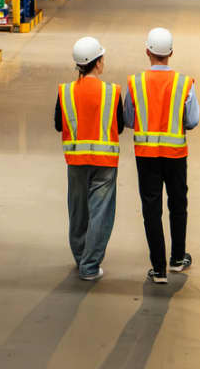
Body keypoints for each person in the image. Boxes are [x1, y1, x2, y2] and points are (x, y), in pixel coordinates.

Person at [124, 26, 199, 284]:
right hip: (175, 155)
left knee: (151, 210)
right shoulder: (184, 83)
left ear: (147, 51)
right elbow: (192, 120)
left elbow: (129, 119)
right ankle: (177, 259)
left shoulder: (135, 83)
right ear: (171, 53)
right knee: (178, 205)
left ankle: (158, 269)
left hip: (146, 156)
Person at [54, 36, 127, 282]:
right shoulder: (112, 92)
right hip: (105, 163)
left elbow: (58, 124)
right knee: (100, 214)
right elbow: (120, 127)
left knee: (78, 211)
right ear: (97, 63)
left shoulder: (65, 92)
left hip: (76, 162)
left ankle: (80, 257)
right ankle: (90, 265)